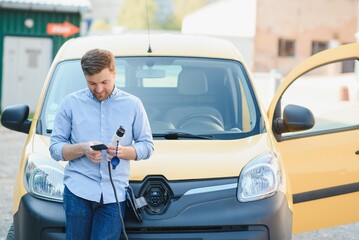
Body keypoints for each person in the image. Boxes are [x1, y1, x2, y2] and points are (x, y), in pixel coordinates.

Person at [50, 48, 154, 240]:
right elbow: (55, 149)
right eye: (92, 83)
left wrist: (123, 151)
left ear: (114, 73)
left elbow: (147, 146)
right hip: (77, 193)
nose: (99, 89)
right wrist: (83, 149)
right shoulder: (70, 104)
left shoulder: (133, 105)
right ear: (85, 77)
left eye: (104, 82)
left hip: (114, 197)